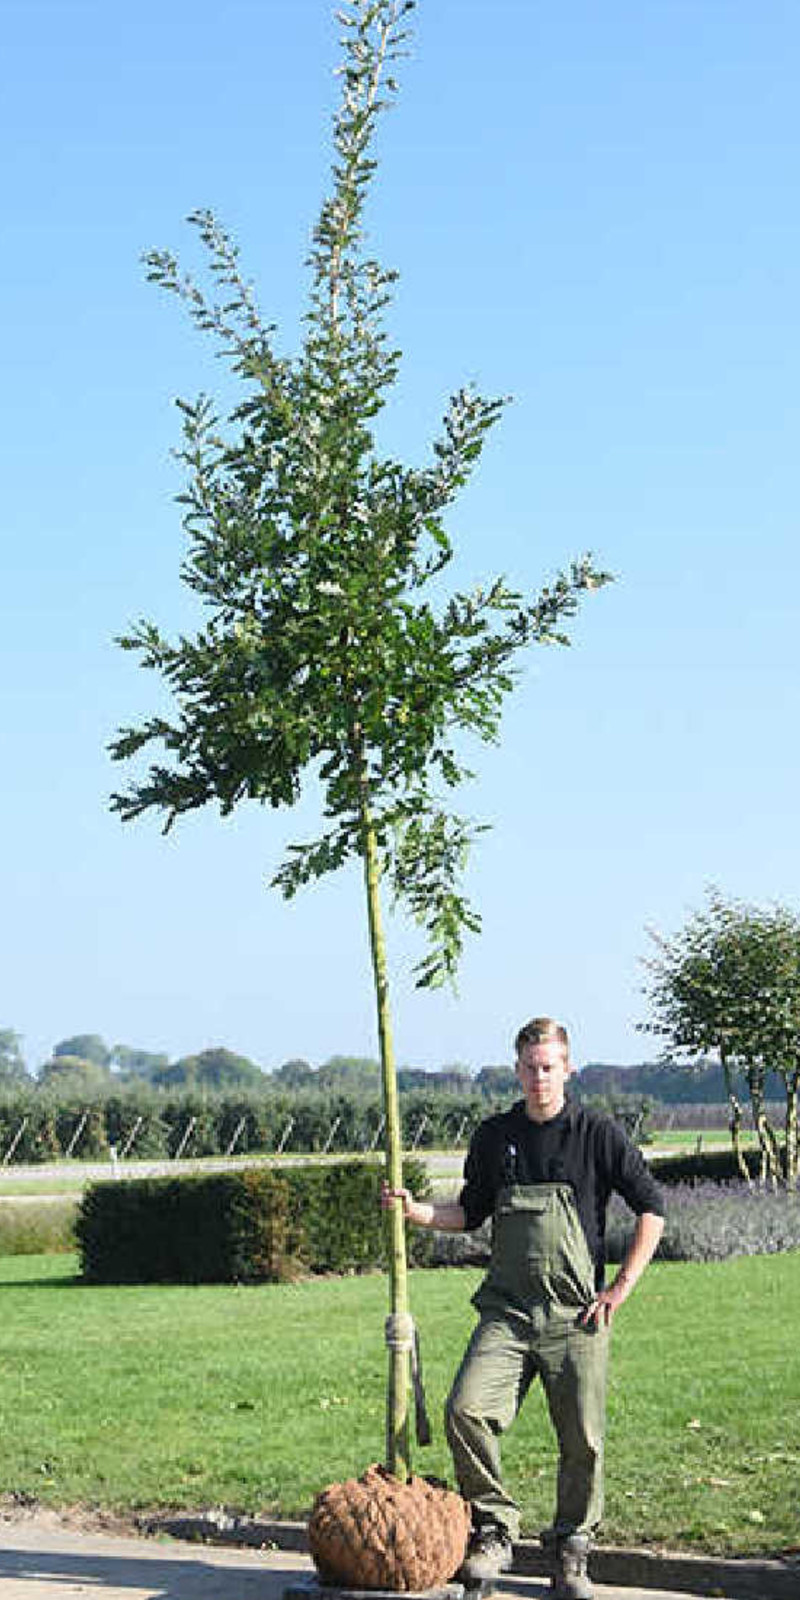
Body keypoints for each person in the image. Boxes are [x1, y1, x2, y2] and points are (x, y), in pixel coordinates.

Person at [382, 1017, 664, 1600]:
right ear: (516, 1070)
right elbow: (470, 1212)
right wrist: (417, 1212)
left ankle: (571, 1547)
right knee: (465, 1409)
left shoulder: (597, 1133)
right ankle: (493, 1528)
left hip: (576, 1316)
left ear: (567, 1069)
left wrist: (620, 1289)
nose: (539, 1078)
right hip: (507, 1314)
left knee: (582, 1439)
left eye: (548, 1067)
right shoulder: (494, 1136)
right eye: (529, 1068)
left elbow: (651, 1209)